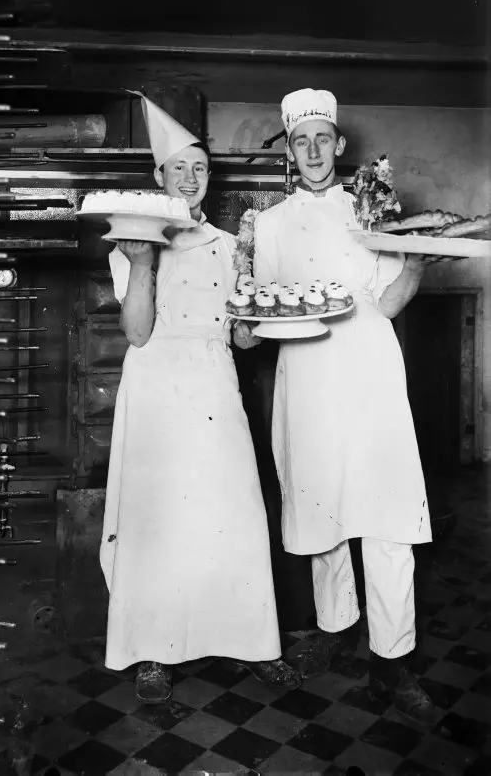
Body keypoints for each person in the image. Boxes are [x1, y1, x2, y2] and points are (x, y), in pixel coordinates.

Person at [234, 88, 434, 725]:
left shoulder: (373, 213)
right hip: (308, 382)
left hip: (371, 379)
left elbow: (393, 302)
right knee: (320, 510)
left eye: (324, 138)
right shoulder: (266, 225)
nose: (314, 150)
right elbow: (260, 315)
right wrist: (244, 323)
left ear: (339, 146)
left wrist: (420, 261)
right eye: (301, 140)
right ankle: (335, 624)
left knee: (388, 517)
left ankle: (393, 657)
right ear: (290, 151)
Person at [99, 92, 300, 705]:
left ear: (209, 178)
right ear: (158, 176)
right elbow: (137, 331)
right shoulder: (133, 242)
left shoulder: (229, 245)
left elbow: (241, 336)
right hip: (157, 386)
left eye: (200, 168)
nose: (189, 179)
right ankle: (151, 653)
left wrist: (249, 324)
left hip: (214, 383)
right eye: (177, 168)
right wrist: (142, 263)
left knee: (232, 508)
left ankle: (252, 640)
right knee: (157, 519)